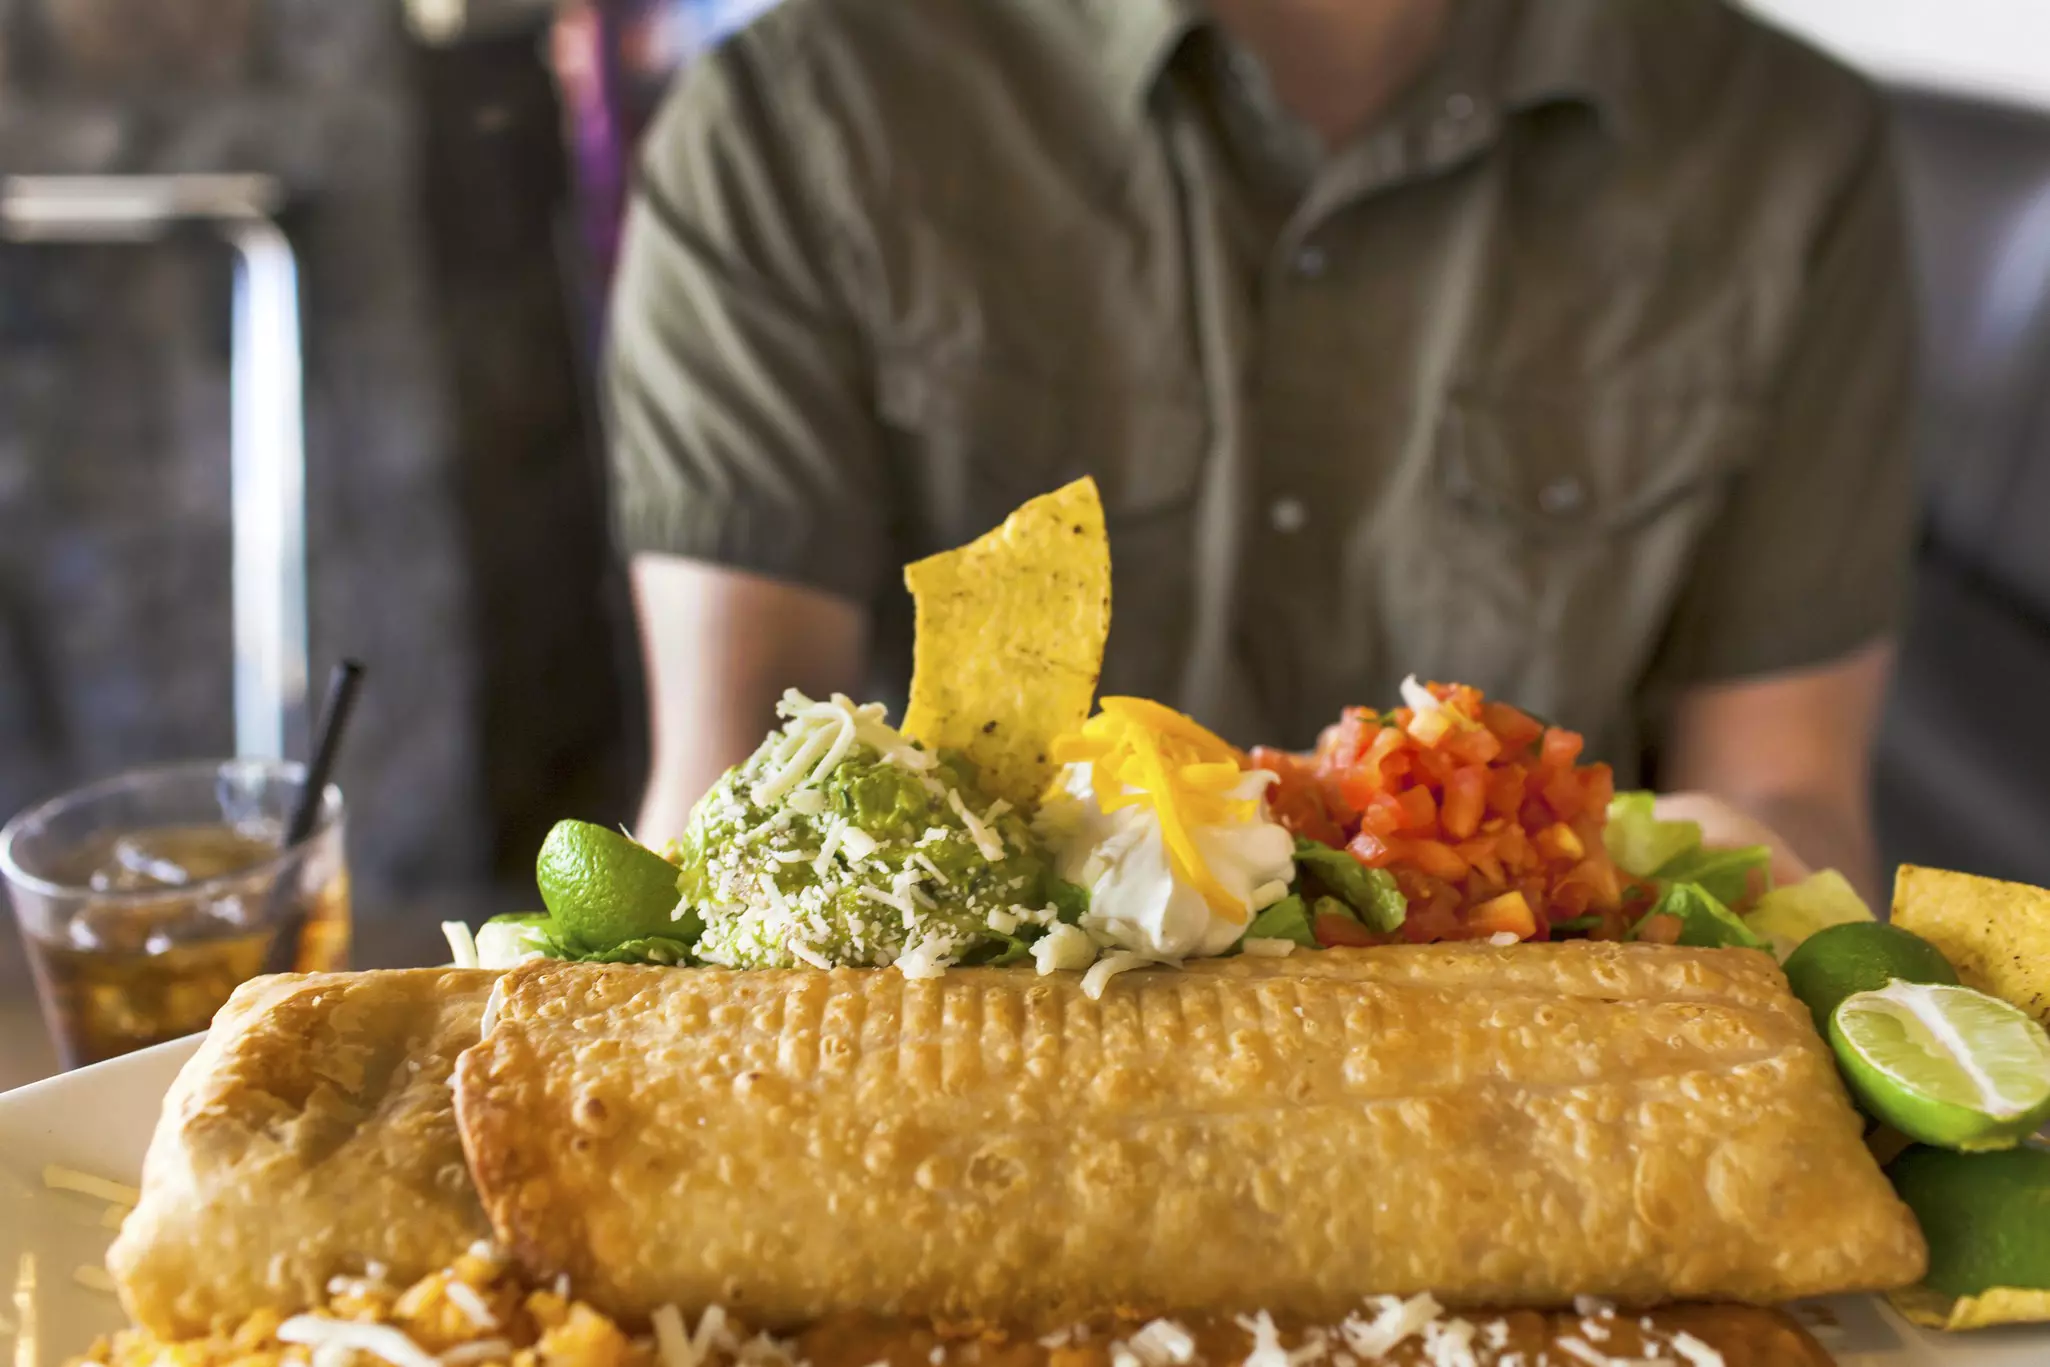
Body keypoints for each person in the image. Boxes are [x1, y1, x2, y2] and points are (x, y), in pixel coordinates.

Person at [605, 0, 1913, 901]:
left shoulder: (1785, 152)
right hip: (967, 1071)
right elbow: (727, 803)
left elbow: (1783, 790)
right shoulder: (791, 126)